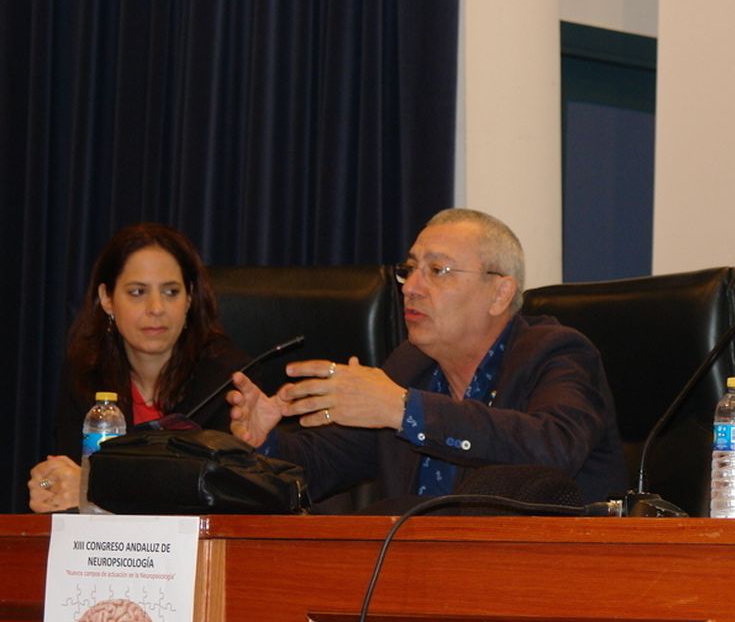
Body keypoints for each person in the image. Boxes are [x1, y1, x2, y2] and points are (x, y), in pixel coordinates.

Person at [227, 208, 627, 505]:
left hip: (544, 586)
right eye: (410, 269)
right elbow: (326, 464)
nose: (411, 287)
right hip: (421, 587)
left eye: (438, 271)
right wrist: (267, 443)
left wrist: (405, 410)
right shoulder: (409, 367)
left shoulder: (555, 353)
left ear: (500, 293)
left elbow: (552, 449)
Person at [28, 223, 248, 513]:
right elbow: (70, 472)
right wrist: (50, 486)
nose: (156, 307)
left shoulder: (228, 378)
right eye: (137, 292)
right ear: (107, 299)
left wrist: (95, 487)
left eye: (171, 292)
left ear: (190, 299)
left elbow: (220, 490)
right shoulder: (85, 372)